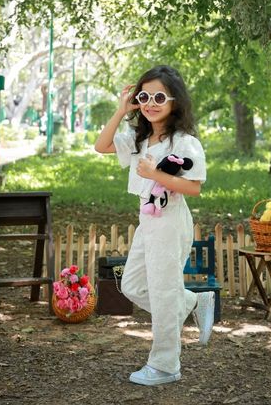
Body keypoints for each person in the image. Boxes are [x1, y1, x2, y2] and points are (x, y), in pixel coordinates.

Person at [94, 65, 215, 386]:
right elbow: (101, 145)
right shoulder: (141, 139)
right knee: (132, 286)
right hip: (147, 221)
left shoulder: (184, 142)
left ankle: (165, 365)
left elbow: (194, 186)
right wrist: (121, 111)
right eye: (144, 96)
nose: (150, 102)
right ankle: (189, 301)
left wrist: (155, 175)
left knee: (162, 293)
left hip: (171, 220)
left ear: (175, 101)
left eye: (159, 96)